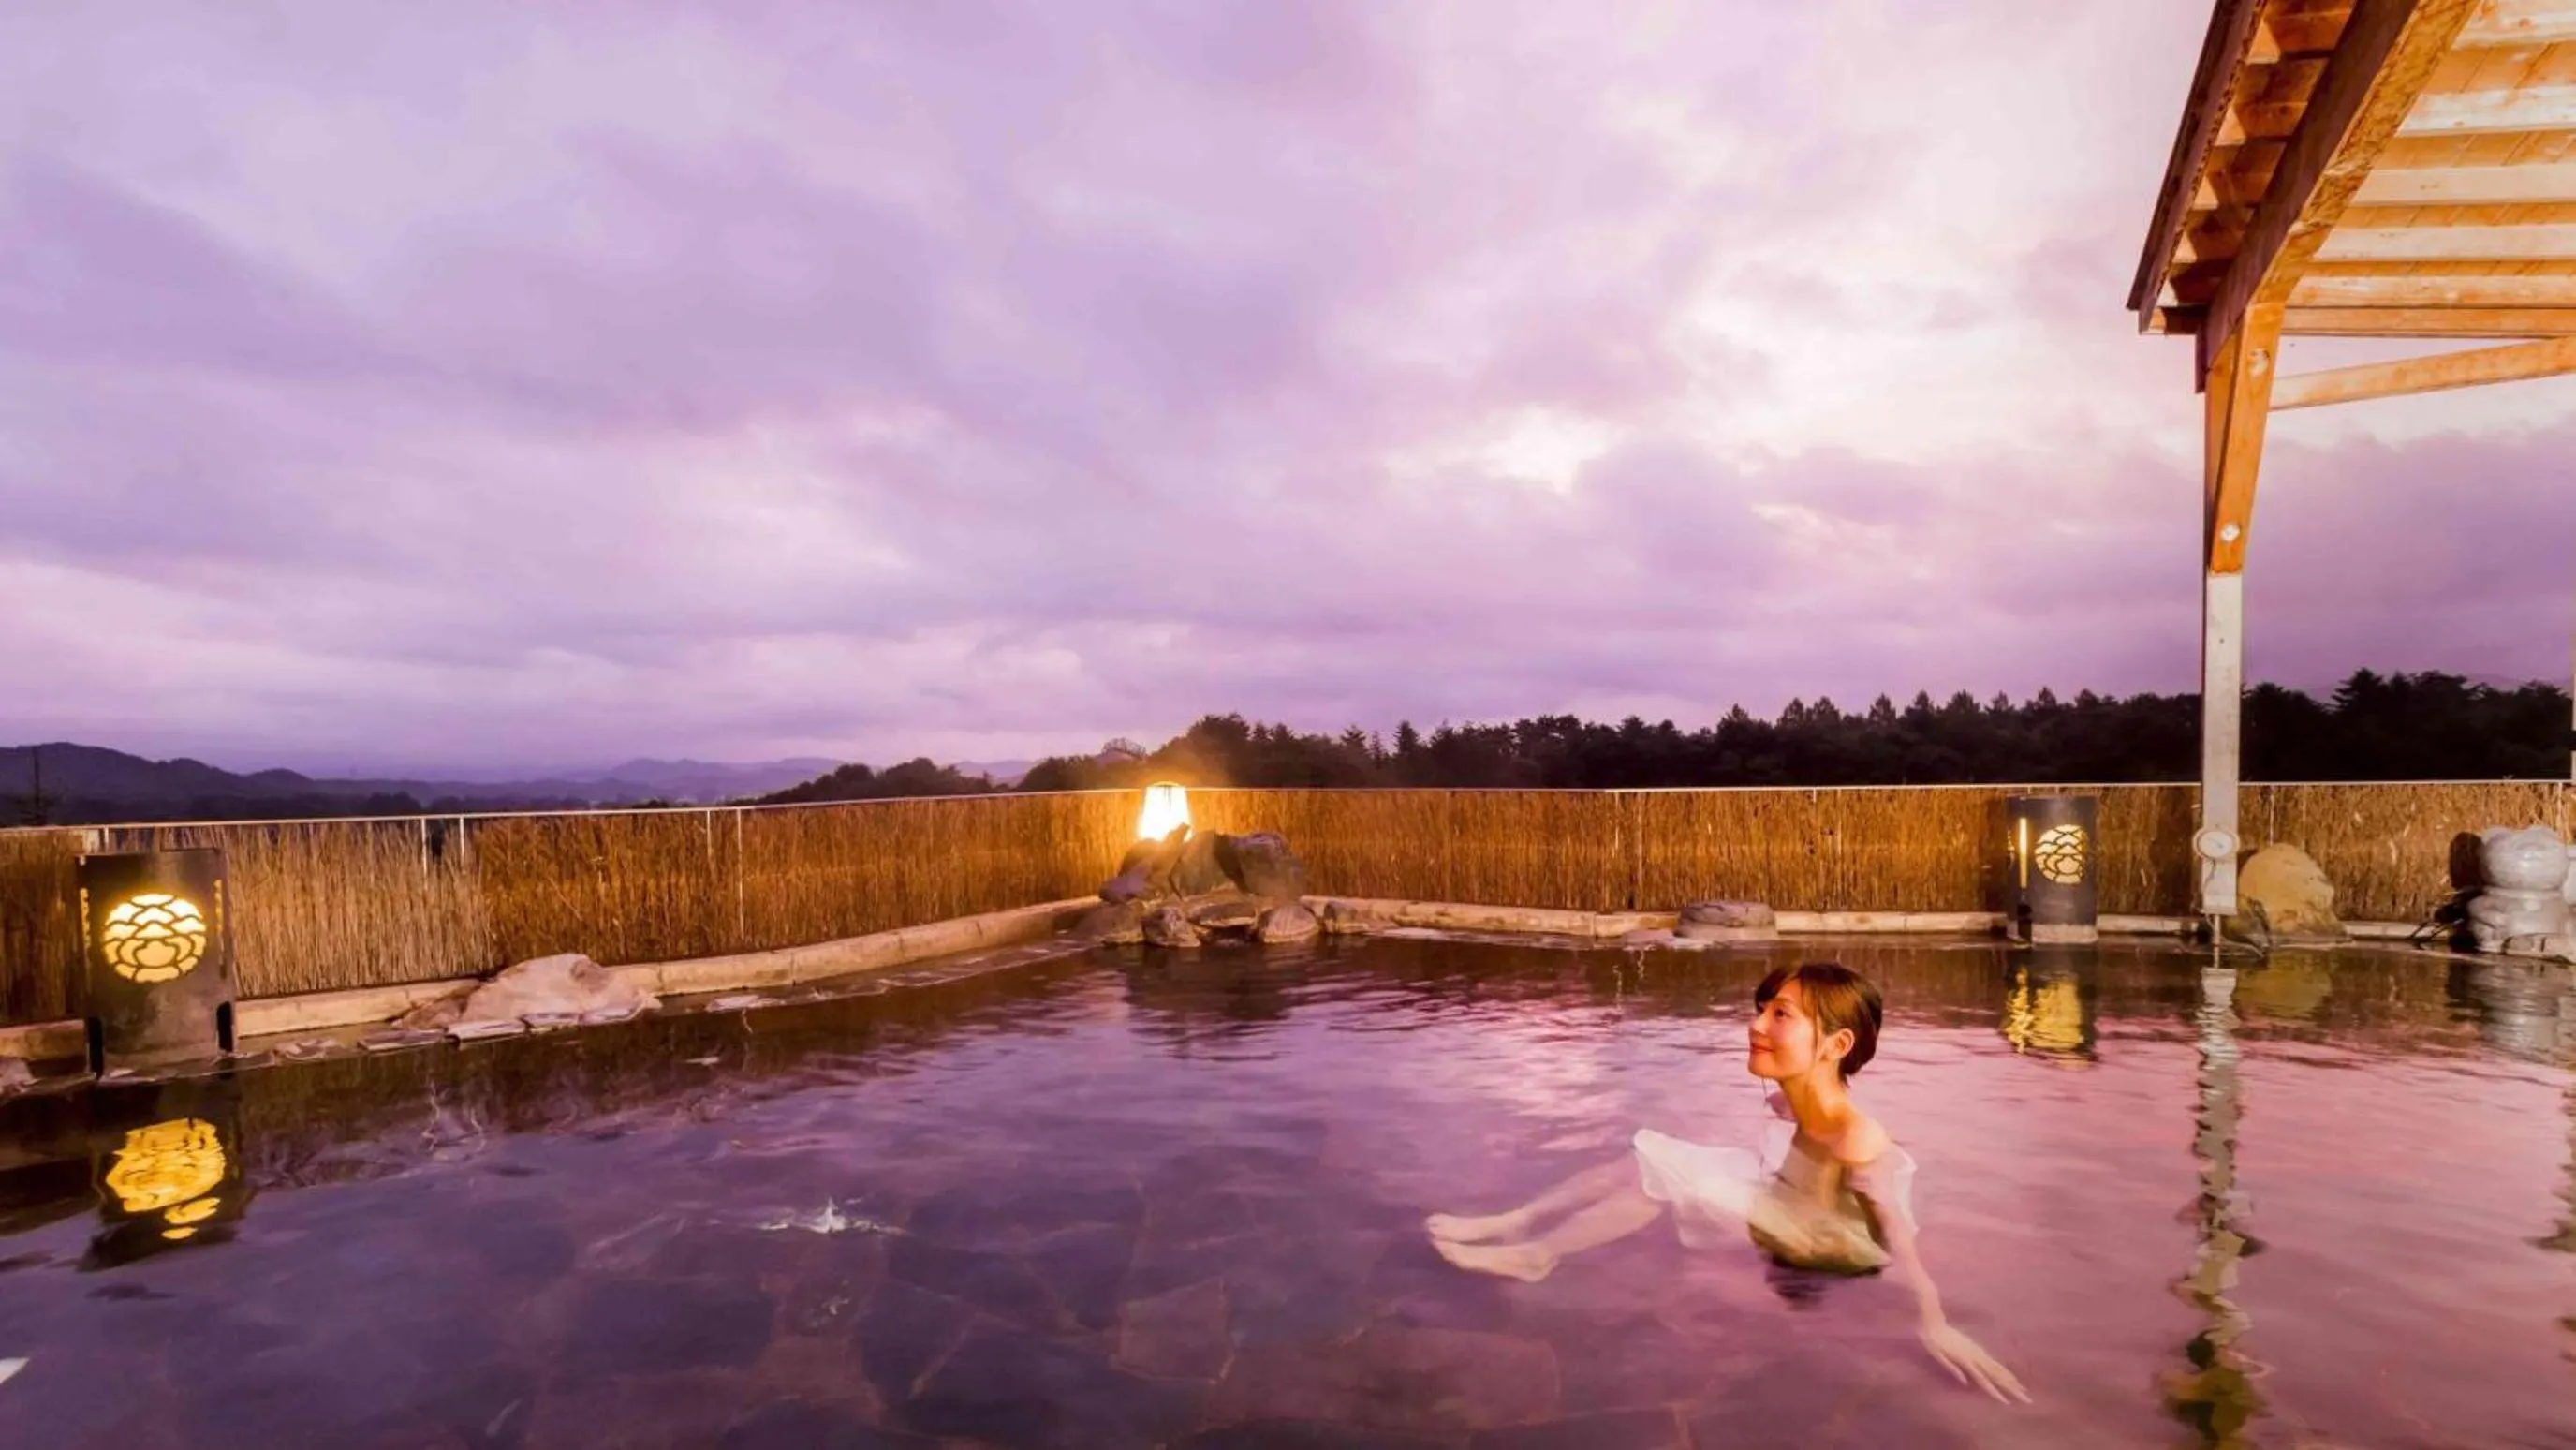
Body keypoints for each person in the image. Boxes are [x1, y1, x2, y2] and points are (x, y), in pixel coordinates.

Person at [1426, 961, 2029, 1404]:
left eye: (1780, 1015)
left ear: (1836, 1045)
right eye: (1762, 1008)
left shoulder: (1853, 1134)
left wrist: (1932, 1319)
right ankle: (1517, 1222)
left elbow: (1893, 1235)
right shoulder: (1793, 1104)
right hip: (1780, 1186)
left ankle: (1538, 1255)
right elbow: (1779, 1153)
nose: (1756, 1024)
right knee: (1646, 1151)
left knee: (1667, 1176)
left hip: (1827, 1235)